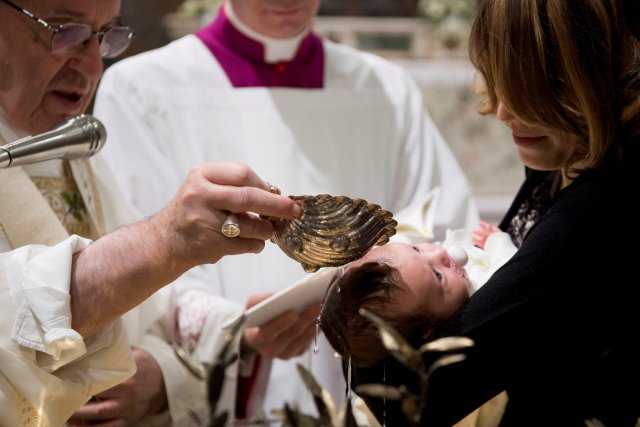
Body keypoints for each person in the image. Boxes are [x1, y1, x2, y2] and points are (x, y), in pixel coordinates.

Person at [89, 0, 479, 423]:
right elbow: (127, 247)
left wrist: (360, 299)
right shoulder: (141, 88)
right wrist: (235, 329)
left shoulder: (385, 88)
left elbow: (445, 231)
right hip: (216, 400)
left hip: (361, 397)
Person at [0, 0, 304, 425]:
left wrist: (233, 338)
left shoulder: (74, 145)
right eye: (64, 31)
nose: (91, 67)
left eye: (105, 36)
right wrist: (165, 240)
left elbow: (150, 310)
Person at [350, 0, 640, 425]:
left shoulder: (597, 212)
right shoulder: (571, 155)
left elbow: (401, 399)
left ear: (595, 77)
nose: (503, 112)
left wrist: (355, 313)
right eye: (499, 82)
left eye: (531, 93)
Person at [320, 226, 516, 369]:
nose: (440, 252)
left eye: (416, 249)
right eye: (438, 276)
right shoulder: (484, 298)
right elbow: (512, 274)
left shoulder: (422, 280)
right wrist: (497, 240)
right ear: (429, 330)